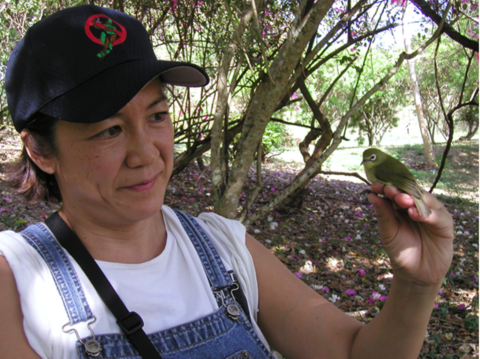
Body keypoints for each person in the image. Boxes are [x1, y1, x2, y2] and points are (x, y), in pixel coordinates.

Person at [0, 5, 454, 359]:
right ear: (40, 151)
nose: (146, 154)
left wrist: (416, 285)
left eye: (157, 115)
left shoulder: (222, 247)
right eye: (108, 130)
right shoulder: (15, 282)